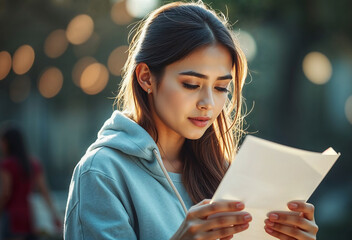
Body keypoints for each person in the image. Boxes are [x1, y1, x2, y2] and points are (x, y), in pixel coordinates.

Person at [64, 1, 319, 239]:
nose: (208, 103)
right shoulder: (102, 172)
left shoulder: (224, 173)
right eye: (191, 84)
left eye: (221, 88)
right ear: (146, 78)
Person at [0, 125, 61, 240]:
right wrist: (54, 215)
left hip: (12, 217)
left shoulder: (7, 164)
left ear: (8, 142)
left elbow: (5, 193)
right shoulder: (34, 164)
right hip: (28, 216)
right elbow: (45, 192)